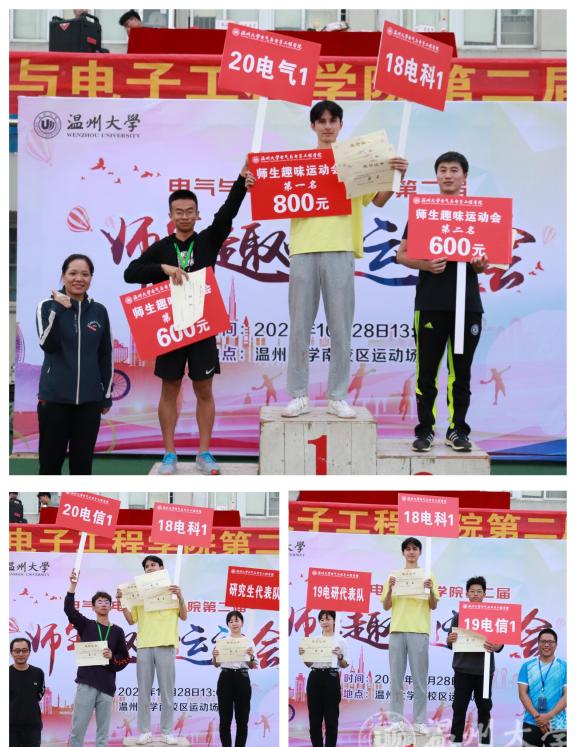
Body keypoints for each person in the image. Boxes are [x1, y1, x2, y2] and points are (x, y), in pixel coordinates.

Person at [124, 164, 254, 475]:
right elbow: (131, 273)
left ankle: (204, 453)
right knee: (169, 389)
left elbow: (227, 213)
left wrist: (241, 181)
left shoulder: (208, 239)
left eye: (189, 211)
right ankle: (169, 454)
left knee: (204, 390)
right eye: (178, 212)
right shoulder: (161, 248)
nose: (184, 216)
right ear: (170, 215)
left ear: (197, 214)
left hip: (202, 327)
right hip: (170, 330)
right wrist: (164, 269)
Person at [282, 99, 408, 419]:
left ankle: (337, 396)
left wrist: (396, 176)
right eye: (321, 121)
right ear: (312, 126)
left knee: (340, 326)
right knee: (300, 326)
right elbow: (273, 196)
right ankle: (298, 394)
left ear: (340, 125)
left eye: (332, 120)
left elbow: (378, 200)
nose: (327, 126)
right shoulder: (298, 164)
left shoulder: (354, 161)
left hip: (340, 248)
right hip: (303, 249)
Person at [396, 151, 488, 453]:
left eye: (454, 170)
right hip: (431, 303)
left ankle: (457, 430)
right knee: (427, 372)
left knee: (461, 372)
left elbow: (487, 261)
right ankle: (425, 431)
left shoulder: (478, 215)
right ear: (436, 176)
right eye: (443, 170)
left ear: (465, 176)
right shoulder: (424, 212)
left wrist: (480, 265)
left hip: (468, 305)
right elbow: (401, 255)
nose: (448, 175)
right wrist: (424, 265)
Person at [36, 254, 113, 474]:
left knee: (82, 465)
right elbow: (47, 344)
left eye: (85, 274)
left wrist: (106, 395)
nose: (79, 279)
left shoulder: (99, 311)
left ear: (91, 278)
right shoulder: (46, 306)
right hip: (54, 400)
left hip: (89, 402)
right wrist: (58, 308)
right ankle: (47, 497)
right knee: (50, 463)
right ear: (63, 276)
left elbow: (105, 355)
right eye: (73, 273)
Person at [117, 555, 187, 744]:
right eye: (146, 566)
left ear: (161, 568)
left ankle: (167, 731)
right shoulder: (140, 595)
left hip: (166, 645)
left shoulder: (172, 590)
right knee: (144, 692)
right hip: (145, 647)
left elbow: (183, 616)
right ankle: (145, 731)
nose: (149, 568)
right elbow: (131, 620)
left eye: (153, 565)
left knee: (167, 693)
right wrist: (123, 602)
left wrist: (180, 596)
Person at [65, 569, 129, 747]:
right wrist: (73, 586)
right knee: (78, 730)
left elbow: (124, 659)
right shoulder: (86, 625)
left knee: (103, 734)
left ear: (111, 607)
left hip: (107, 686)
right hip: (86, 683)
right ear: (93, 607)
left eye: (107, 602)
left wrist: (112, 658)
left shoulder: (117, 631)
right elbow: (69, 610)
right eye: (99, 602)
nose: (103, 604)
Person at [381, 537, 438, 732]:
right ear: (403, 553)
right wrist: (391, 588)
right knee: (396, 679)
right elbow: (386, 605)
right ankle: (396, 721)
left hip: (419, 630)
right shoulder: (393, 576)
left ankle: (419, 721)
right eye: (408, 549)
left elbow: (433, 605)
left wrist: (430, 590)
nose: (411, 552)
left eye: (414, 549)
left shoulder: (428, 575)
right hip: (397, 630)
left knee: (419, 680)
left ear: (420, 552)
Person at [446, 576, 503, 747]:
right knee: (459, 707)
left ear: (484, 594)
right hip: (462, 669)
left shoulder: (493, 616)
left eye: (479, 591)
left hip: (484, 671)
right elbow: (451, 643)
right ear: (467, 594)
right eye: (472, 591)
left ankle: (484, 743)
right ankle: (455, 741)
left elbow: (500, 643)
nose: (476, 594)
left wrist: (498, 646)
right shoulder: (458, 617)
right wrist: (450, 640)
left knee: (484, 708)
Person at [298, 609, 349, 747]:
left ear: (334, 621)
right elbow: (309, 664)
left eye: (328, 619)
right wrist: (304, 655)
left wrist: (339, 656)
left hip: (331, 678)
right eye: (322, 620)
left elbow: (344, 664)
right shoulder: (314, 640)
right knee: (314, 720)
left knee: (331, 720)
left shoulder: (341, 641)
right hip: (315, 677)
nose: (325, 622)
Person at [212, 610, 257, 747]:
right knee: (225, 717)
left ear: (242, 623)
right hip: (225, 678)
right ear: (227, 624)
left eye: (236, 620)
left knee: (242, 717)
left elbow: (252, 665)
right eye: (230, 621)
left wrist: (251, 656)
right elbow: (216, 664)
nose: (234, 623)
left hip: (242, 678)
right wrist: (214, 656)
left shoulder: (248, 642)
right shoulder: (222, 641)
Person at [518, 628, 567, 747]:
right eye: (543, 641)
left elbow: (568, 695)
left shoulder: (565, 667)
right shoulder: (527, 666)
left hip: (557, 724)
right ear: (538, 643)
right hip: (531, 722)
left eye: (550, 642)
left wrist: (549, 716)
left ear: (556, 644)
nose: (546, 645)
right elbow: (522, 694)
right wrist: (538, 718)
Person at [9, 637, 45, 747]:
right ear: (11, 653)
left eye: (24, 650)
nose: (21, 654)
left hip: (33, 727)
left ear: (29, 652)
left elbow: (40, 693)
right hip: (9, 727)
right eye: (17, 651)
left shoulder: (38, 673)